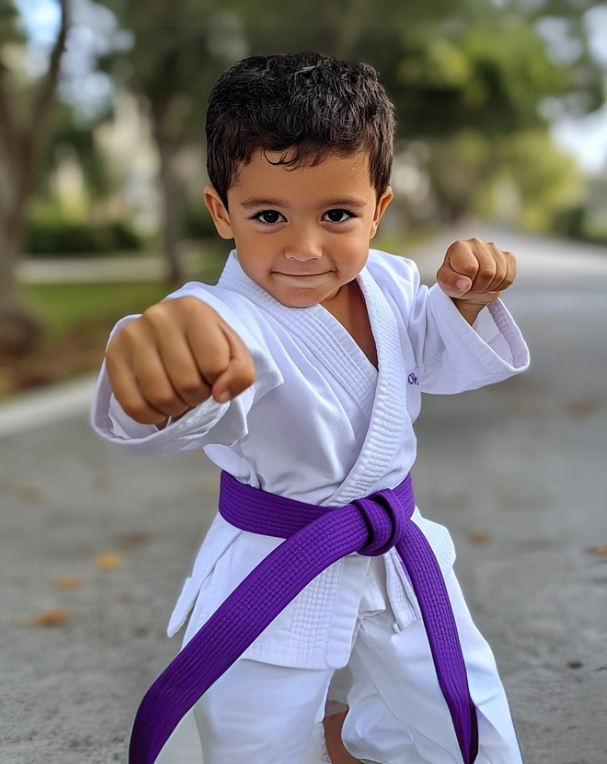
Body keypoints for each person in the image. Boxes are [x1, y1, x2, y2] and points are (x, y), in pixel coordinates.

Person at [91, 52, 529, 764]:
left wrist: (467, 305)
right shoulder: (227, 317)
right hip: (275, 565)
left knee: (469, 729)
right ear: (221, 212)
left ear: (378, 211)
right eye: (267, 214)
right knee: (252, 743)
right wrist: (160, 363)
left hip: (398, 552)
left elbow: (432, 359)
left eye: (336, 214)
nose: (302, 248)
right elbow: (197, 346)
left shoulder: (388, 281)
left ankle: (356, 743)